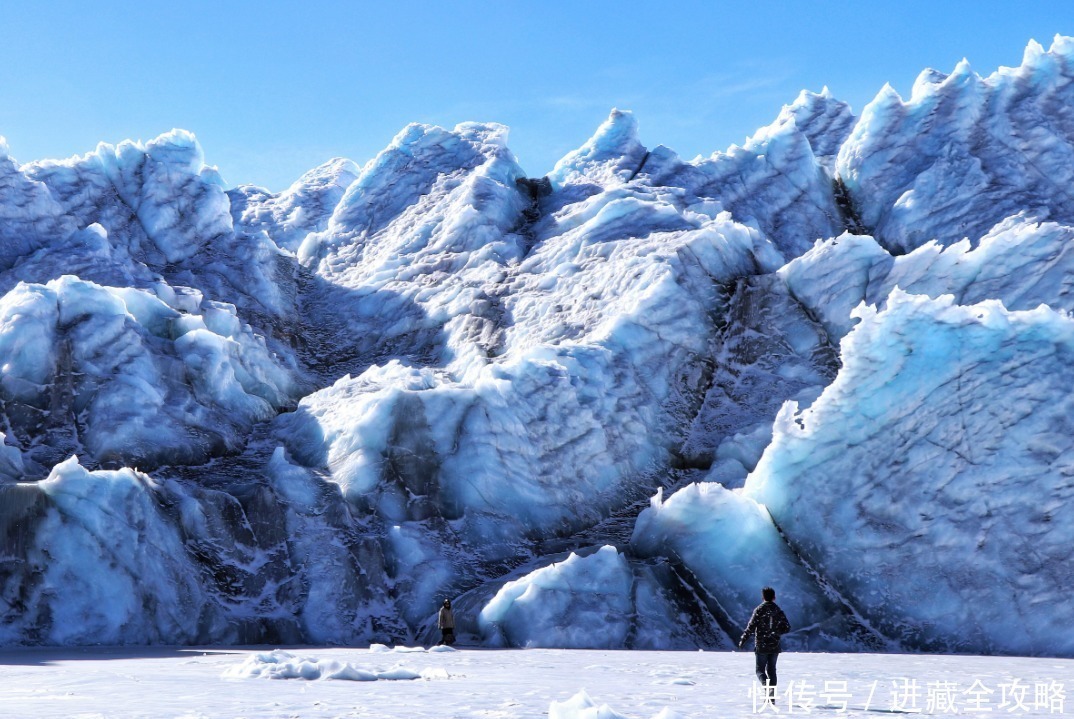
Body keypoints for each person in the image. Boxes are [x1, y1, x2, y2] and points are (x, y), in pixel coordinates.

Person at [739, 586, 791, 704]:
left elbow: (751, 627)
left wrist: (743, 639)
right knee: (772, 670)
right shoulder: (778, 610)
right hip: (775, 645)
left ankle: (766, 687)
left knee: (760, 671)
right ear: (774, 597)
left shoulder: (759, 610)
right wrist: (776, 633)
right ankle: (771, 697)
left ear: (763, 597)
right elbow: (787, 627)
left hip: (761, 645)